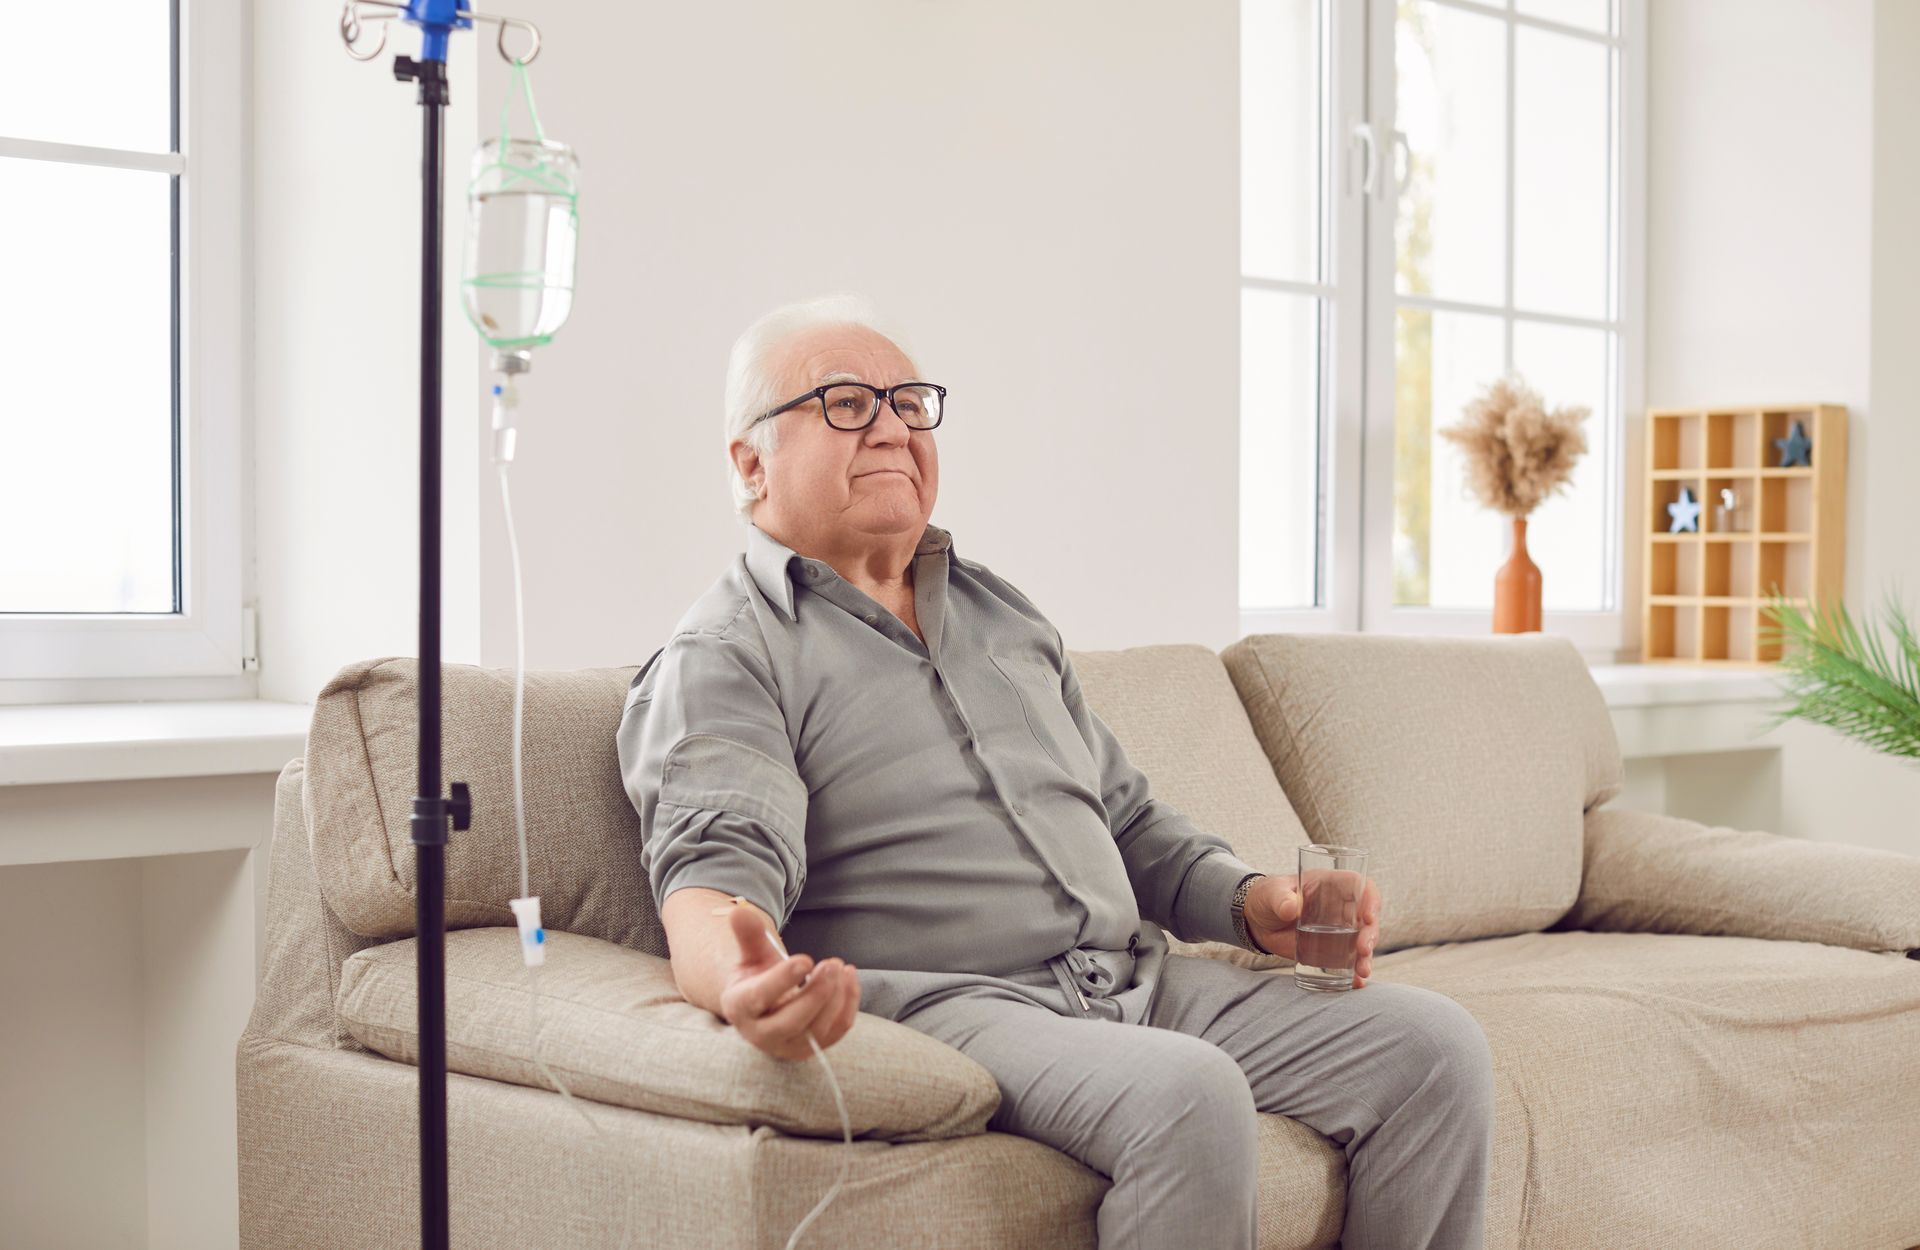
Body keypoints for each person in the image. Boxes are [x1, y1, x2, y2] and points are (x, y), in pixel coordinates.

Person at [615, 294, 1494, 1249]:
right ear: (751, 464)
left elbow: (1124, 818)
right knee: (1189, 1093)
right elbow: (713, 876)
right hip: (960, 1002)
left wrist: (1252, 904)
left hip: (1132, 980)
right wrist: (739, 979)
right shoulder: (727, 652)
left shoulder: (1003, 615)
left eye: (910, 403)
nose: (895, 428)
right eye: (846, 404)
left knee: (1433, 1050)